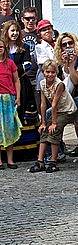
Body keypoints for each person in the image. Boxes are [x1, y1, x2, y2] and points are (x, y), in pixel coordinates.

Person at [27, 60, 76, 173]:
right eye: (47, 72)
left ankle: (53, 160)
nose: (50, 74)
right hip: (56, 111)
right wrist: (43, 122)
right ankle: (40, 161)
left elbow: (54, 104)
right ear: (43, 72)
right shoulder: (42, 84)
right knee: (44, 130)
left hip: (66, 110)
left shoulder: (59, 84)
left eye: (53, 72)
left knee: (54, 130)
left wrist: (53, 123)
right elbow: (43, 104)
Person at [3, 20, 39, 160]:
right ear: (6, 32)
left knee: (22, 113)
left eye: (17, 31)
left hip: (22, 86)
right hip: (4, 86)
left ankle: (25, 151)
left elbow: (27, 65)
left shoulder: (23, 47)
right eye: (12, 31)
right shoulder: (3, 48)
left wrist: (10, 71)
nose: (15, 33)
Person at [55, 32, 78, 156]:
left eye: (71, 43)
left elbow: (76, 81)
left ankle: (56, 150)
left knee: (52, 113)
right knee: (51, 112)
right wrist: (66, 64)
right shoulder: (62, 61)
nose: (68, 46)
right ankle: (59, 148)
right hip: (71, 97)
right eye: (64, 45)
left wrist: (71, 64)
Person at [0, 38, 21, 169]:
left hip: (9, 98)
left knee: (9, 128)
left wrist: (18, 97)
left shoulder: (10, 63)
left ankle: (10, 159)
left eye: (1, 46)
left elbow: (16, 80)